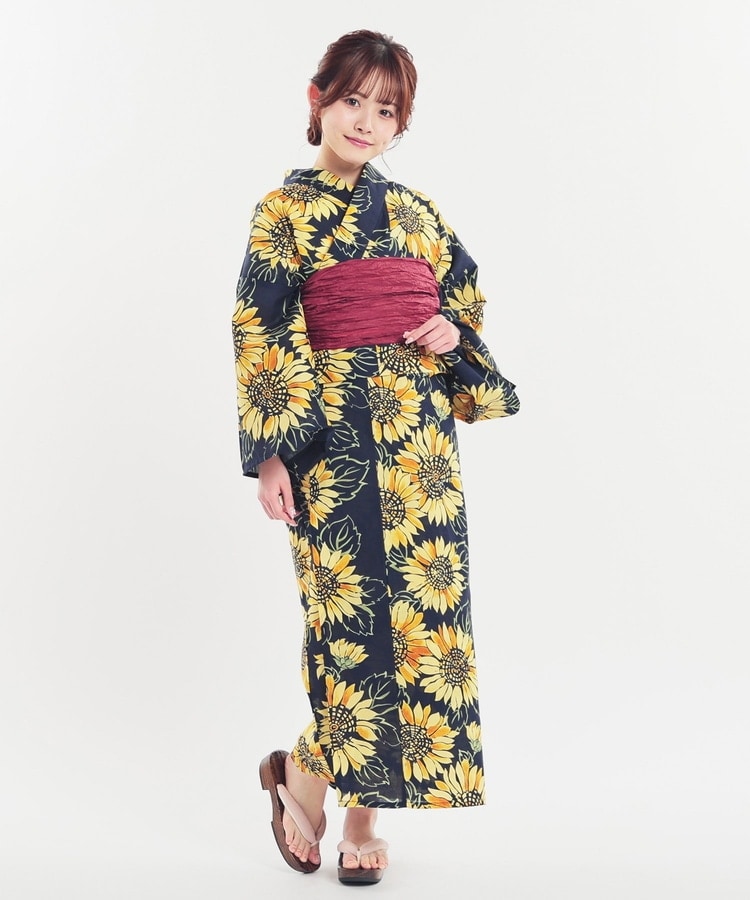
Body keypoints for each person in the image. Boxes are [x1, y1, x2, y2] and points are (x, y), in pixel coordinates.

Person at [232, 28, 520, 885]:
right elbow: (262, 327)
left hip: (420, 446)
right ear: (317, 100)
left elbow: (462, 305)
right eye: (352, 100)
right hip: (331, 444)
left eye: (386, 110)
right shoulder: (282, 214)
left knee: (423, 630)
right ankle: (303, 774)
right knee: (351, 629)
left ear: (402, 124)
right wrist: (273, 455)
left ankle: (355, 813)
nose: (366, 121)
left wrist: (451, 333)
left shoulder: (420, 214)